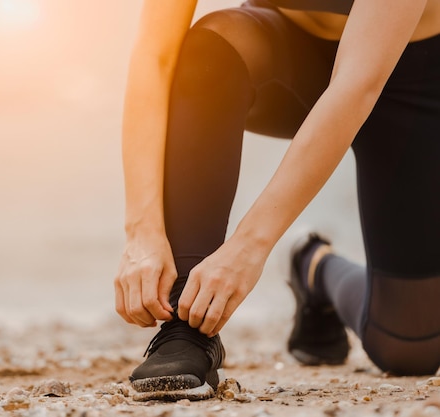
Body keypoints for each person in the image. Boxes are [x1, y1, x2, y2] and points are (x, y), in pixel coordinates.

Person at [113, 0, 440, 402]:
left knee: (409, 347)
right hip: (288, 52)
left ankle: (312, 266)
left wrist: (250, 247)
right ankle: (186, 327)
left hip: (413, 70)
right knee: (209, 49)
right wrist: (141, 233)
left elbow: (357, 83)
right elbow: (155, 55)